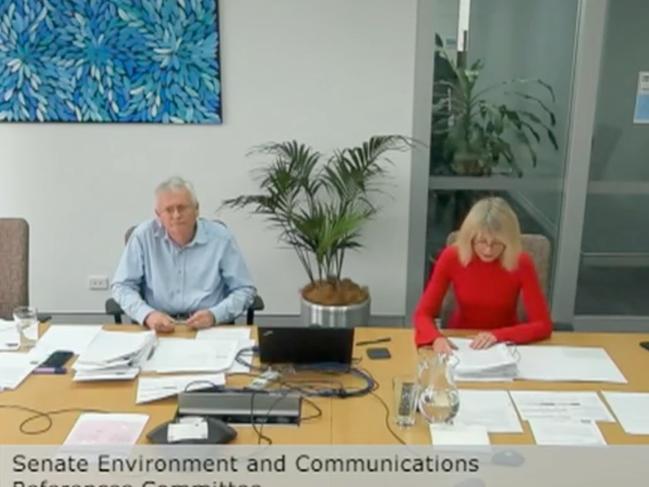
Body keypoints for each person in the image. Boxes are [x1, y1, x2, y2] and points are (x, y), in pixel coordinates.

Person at [111, 176, 256, 333]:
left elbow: (244, 289)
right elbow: (122, 287)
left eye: (182, 207)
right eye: (169, 210)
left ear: (196, 209)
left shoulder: (221, 239)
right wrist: (147, 315)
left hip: (210, 328)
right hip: (157, 327)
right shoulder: (142, 237)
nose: (176, 215)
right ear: (158, 215)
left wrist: (215, 315)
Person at [414, 196, 552, 353]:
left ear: (509, 241)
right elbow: (423, 314)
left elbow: (543, 325)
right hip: (461, 343)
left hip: (505, 345)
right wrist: (435, 338)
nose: (488, 250)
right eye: (481, 242)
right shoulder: (452, 257)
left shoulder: (521, 262)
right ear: (470, 238)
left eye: (497, 243)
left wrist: (497, 336)